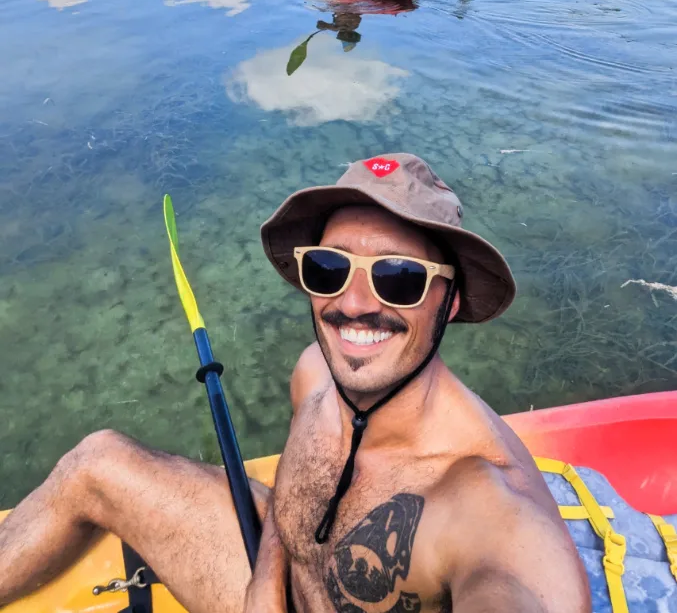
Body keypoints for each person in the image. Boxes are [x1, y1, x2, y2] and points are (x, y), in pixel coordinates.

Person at [0, 153, 592, 613]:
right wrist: (264, 582)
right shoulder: (316, 374)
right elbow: (297, 482)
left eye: (400, 278)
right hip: (284, 593)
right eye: (330, 268)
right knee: (96, 461)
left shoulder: (488, 510)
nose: (354, 304)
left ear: (451, 300)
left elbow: (516, 584)